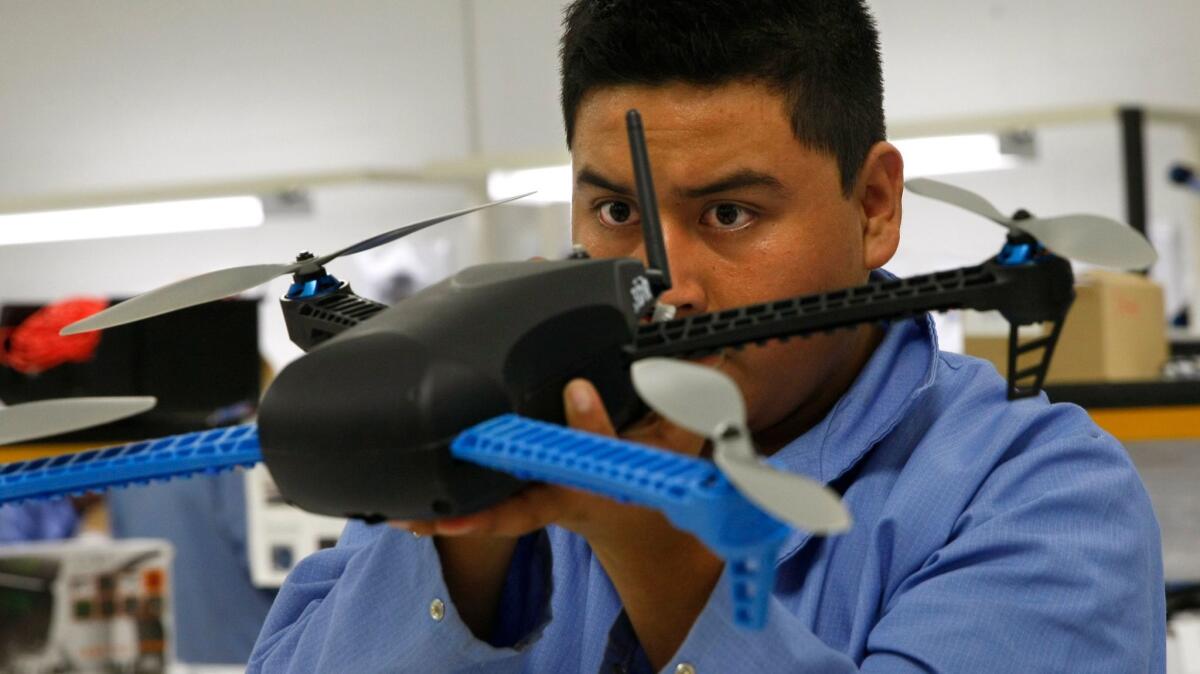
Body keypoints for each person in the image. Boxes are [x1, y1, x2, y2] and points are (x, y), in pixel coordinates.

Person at [248, 2, 1165, 671]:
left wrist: (673, 565)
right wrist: (467, 551)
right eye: (614, 209)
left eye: (730, 212)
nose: (670, 286)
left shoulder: (1037, 495)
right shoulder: (519, 440)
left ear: (875, 206)